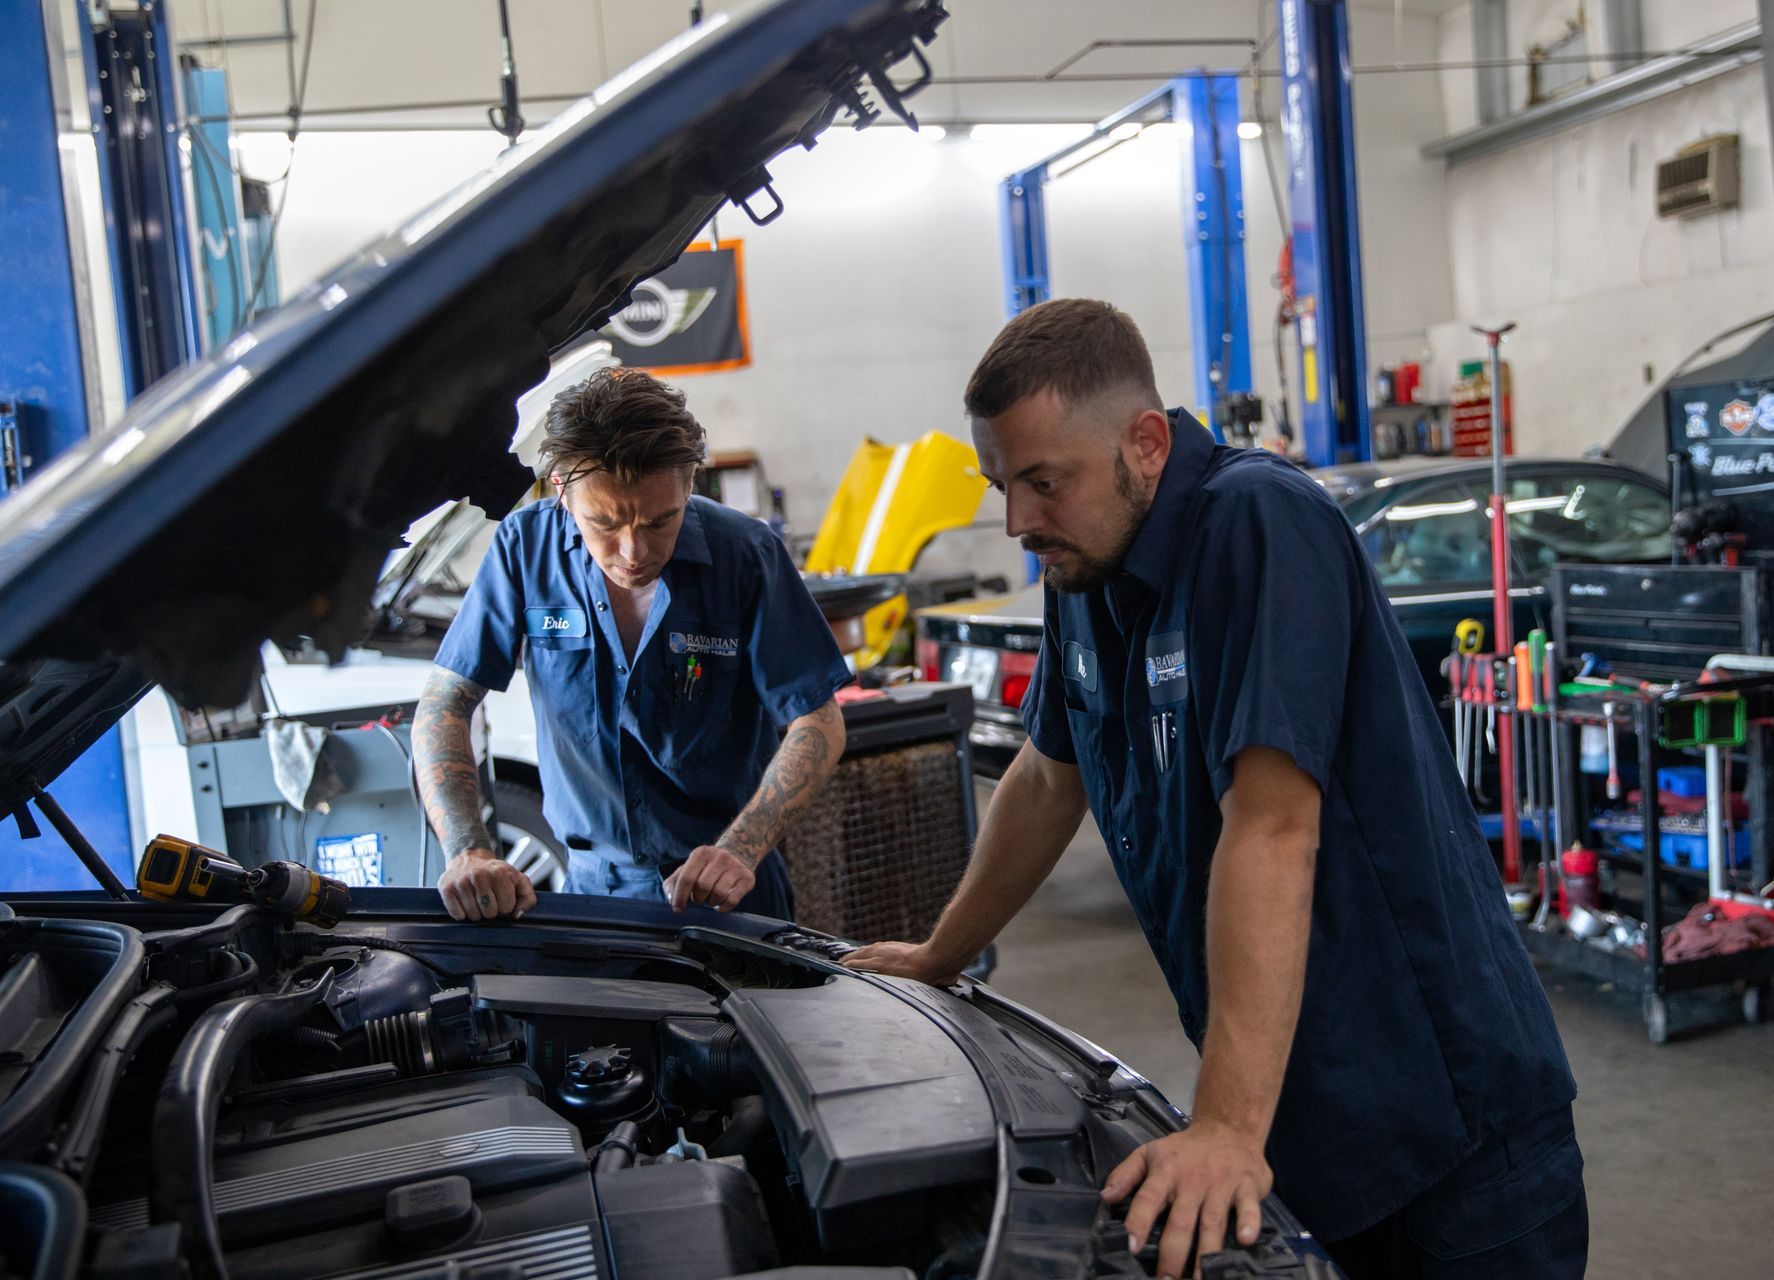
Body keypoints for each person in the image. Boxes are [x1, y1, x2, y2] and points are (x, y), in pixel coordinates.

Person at [846, 300, 1583, 1279]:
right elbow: (1045, 776)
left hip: (1446, 1127)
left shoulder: (1256, 521)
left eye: (1042, 482)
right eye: (1002, 486)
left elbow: (1275, 824)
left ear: (1146, 442)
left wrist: (1226, 1123)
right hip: (1311, 1124)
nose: (1020, 521)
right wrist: (943, 951)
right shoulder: (1088, 567)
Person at [414, 367, 850, 921]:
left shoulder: (745, 555)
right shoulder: (524, 550)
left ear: (690, 484)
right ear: (562, 493)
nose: (633, 550)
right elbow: (444, 705)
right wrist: (468, 849)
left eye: (659, 522)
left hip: (729, 893)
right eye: (605, 523)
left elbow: (819, 720)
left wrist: (741, 848)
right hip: (593, 896)